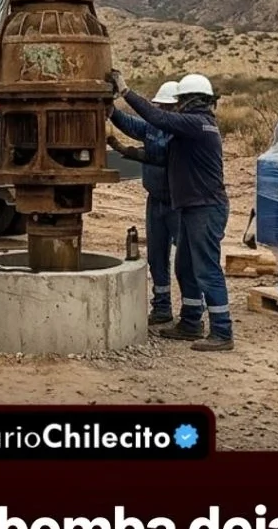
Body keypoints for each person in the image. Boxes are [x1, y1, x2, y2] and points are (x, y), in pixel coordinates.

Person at [107, 71, 234, 352]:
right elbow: (159, 156)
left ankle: (222, 331)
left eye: (181, 101)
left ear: (190, 100)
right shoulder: (191, 130)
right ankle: (190, 323)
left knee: (206, 269)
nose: (178, 106)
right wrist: (122, 147)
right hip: (192, 206)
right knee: (185, 266)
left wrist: (126, 92)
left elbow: (157, 118)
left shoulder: (198, 123)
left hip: (205, 207)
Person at [106, 80, 181, 326]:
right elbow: (132, 125)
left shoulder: (182, 132)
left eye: (168, 107)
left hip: (179, 203)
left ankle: (193, 309)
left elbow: (159, 155)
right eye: (161, 106)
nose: (163, 110)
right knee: (156, 257)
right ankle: (162, 307)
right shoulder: (153, 127)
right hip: (156, 200)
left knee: (186, 259)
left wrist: (126, 150)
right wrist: (111, 110)